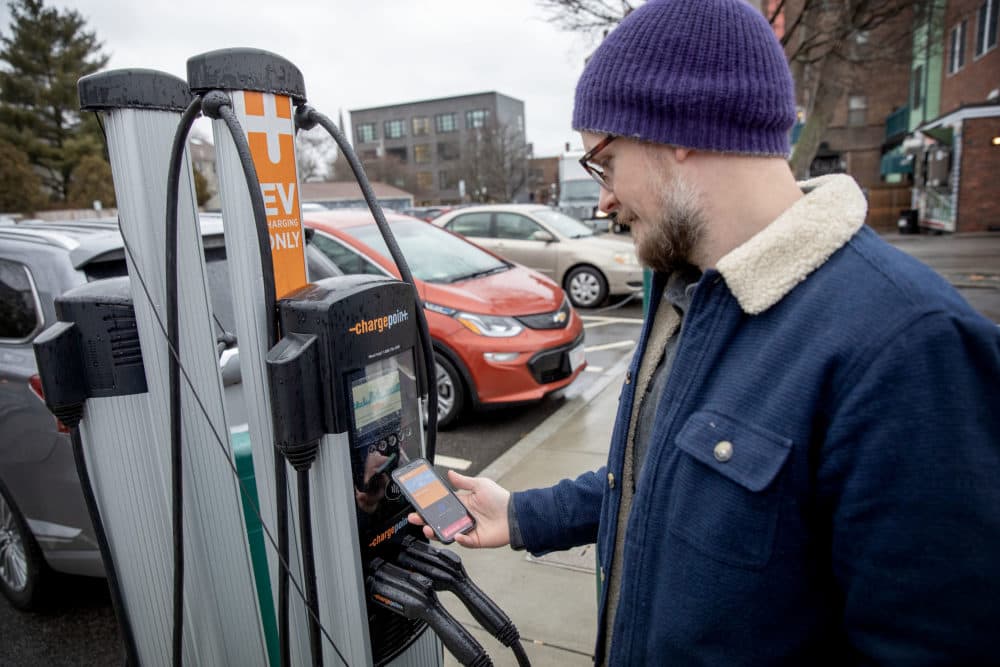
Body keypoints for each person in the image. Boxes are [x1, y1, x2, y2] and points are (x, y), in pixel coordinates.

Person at [410, 0, 1000, 663]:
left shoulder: (912, 347)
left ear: (675, 128)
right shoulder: (685, 287)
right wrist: (521, 513)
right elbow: (659, 478)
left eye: (603, 160)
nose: (602, 198)